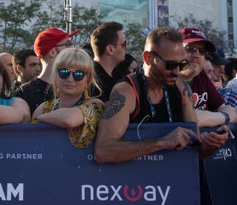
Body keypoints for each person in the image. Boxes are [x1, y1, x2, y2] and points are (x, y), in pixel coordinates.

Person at [94, 27, 229, 164]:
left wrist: (211, 144)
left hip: (174, 180)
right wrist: (162, 142)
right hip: (137, 183)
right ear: (148, 58)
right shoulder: (127, 91)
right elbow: (103, 151)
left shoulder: (181, 88)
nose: (176, 72)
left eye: (181, 65)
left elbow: (194, 152)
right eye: (170, 65)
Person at [180, 27, 237, 128]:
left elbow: (224, 108)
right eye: (190, 49)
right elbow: (192, 118)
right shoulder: (171, 79)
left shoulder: (201, 75)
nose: (197, 54)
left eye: (202, 51)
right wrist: (225, 116)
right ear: (177, 50)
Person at [32, 47, 104, 148]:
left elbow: (68, 119)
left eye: (78, 74)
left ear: (87, 79)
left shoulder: (96, 105)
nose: (70, 79)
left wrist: (40, 118)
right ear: (56, 75)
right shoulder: (44, 108)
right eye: (64, 72)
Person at [14, 27, 78, 112]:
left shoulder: (76, 85)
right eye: (68, 44)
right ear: (52, 52)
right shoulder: (25, 93)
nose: (73, 48)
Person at [89, 21, 131, 101]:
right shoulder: (91, 79)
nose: (127, 47)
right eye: (124, 44)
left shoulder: (116, 75)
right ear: (110, 49)